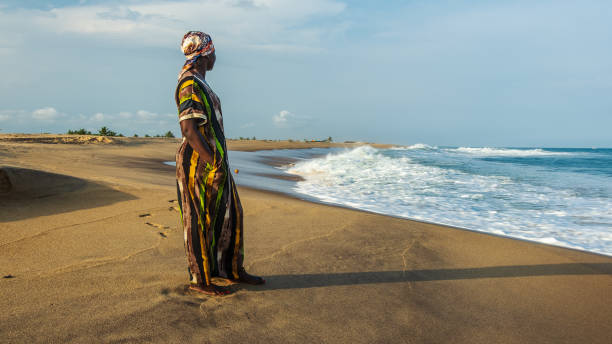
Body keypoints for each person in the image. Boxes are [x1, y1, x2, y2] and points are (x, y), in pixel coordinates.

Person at [175, 31, 264, 296]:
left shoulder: (200, 81)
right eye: (212, 51)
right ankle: (200, 279)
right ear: (204, 55)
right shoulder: (188, 83)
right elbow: (189, 129)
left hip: (215, 163)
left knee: (230, 215)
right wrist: (212, 162)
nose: (215, 56)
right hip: (198, 165)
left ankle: (231, 269)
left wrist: (218, 163)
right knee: (198, 220)